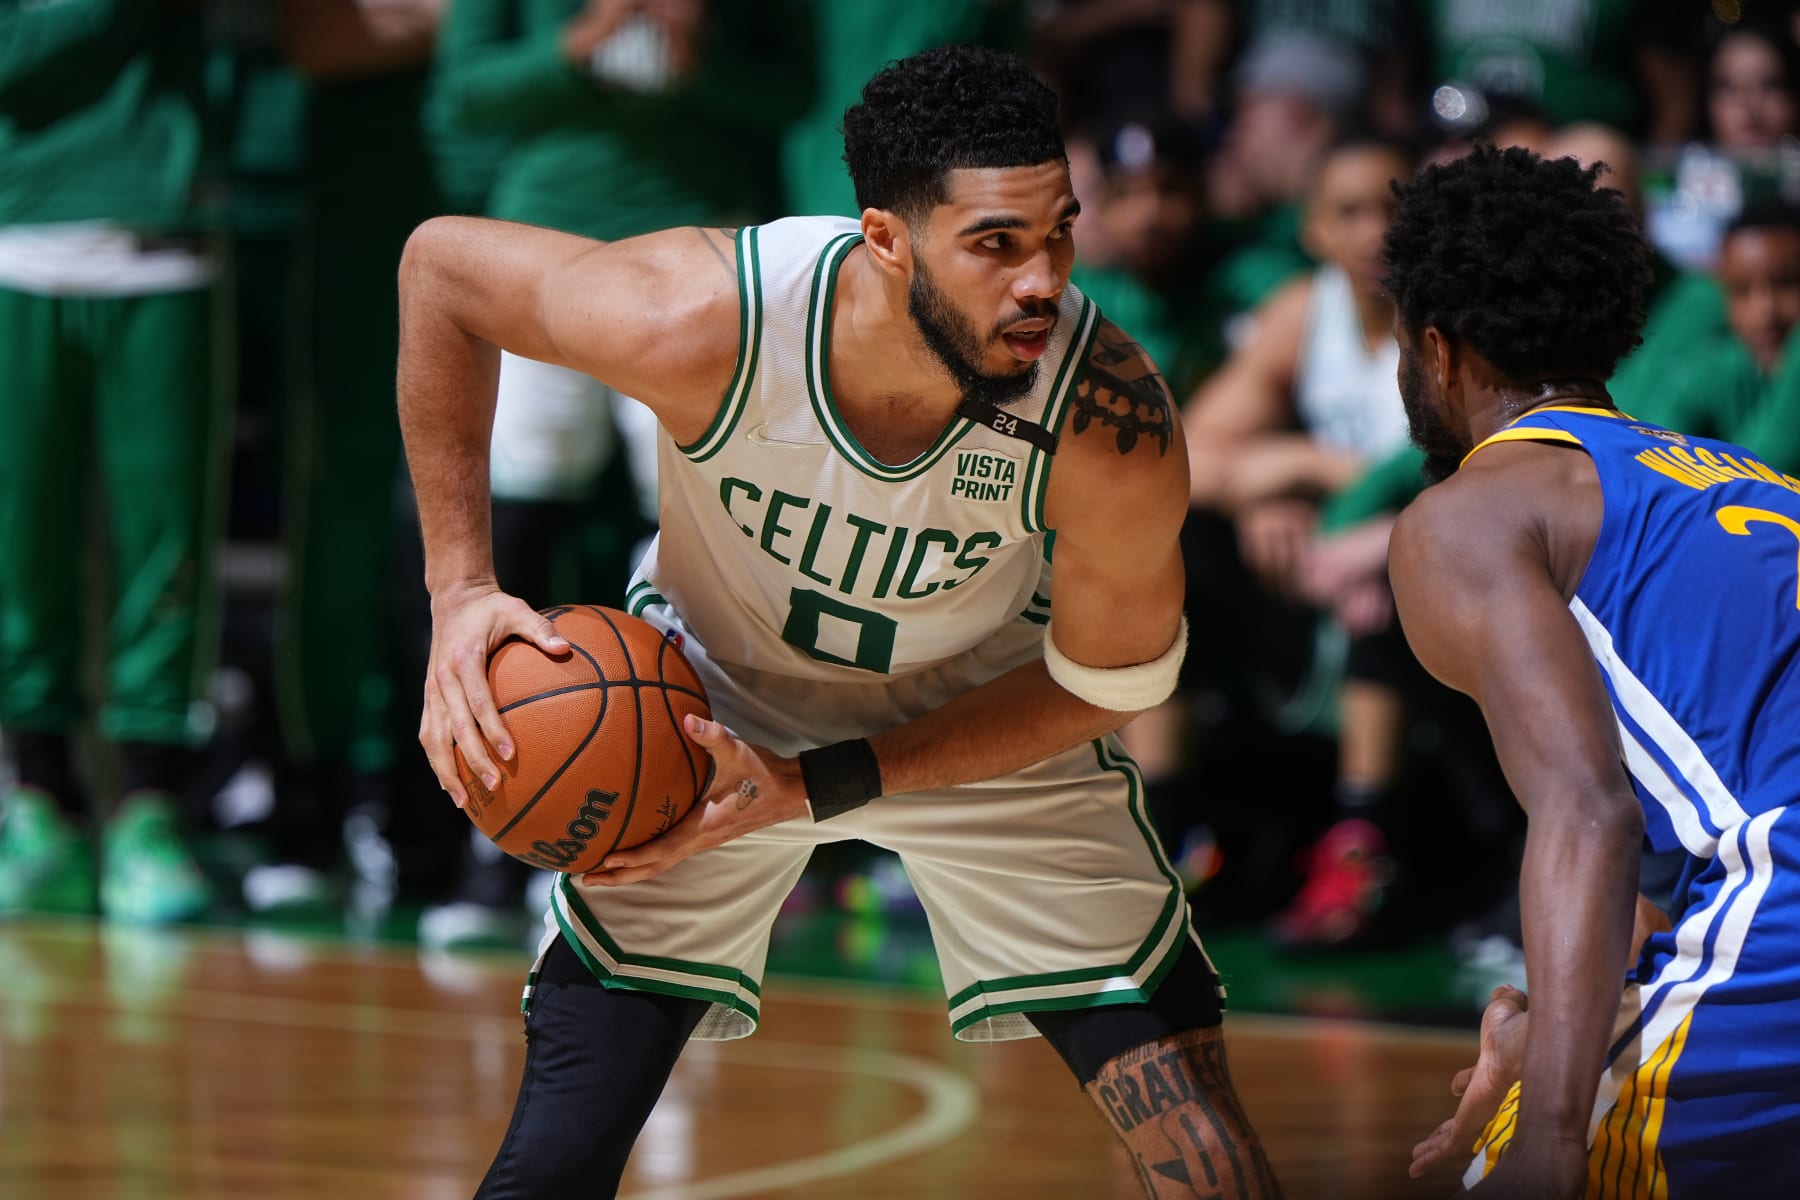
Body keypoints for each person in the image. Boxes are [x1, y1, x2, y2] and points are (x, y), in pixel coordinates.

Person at [398, 45, 1281, 1199]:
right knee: (556, 1160)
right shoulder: (700, 319)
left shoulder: (1108, 421)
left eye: (1060, 231)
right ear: (884, 240)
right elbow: (442, 271)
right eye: (996, 244)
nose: (1044, 282)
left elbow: (1108, 684)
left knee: (1204, 1157)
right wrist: (461, 590)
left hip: (985, 705)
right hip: (710, 704)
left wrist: (823, 785)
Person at [1383, 143, 1800, 1196]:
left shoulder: (1471, 516)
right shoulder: (1755, 480)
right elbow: (1670, 854)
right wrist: (1548, 1027)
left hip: (1783, 916)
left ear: (1438, 348)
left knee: (1499, 1175)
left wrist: (1550, 1135)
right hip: (1757, 899)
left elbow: (1589, 814)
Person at [0, 0, 224, 923]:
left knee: (165, 551)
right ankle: (39, 798)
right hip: (17, 237)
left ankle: (148, 806)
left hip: (160, 240)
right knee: (22, 549)